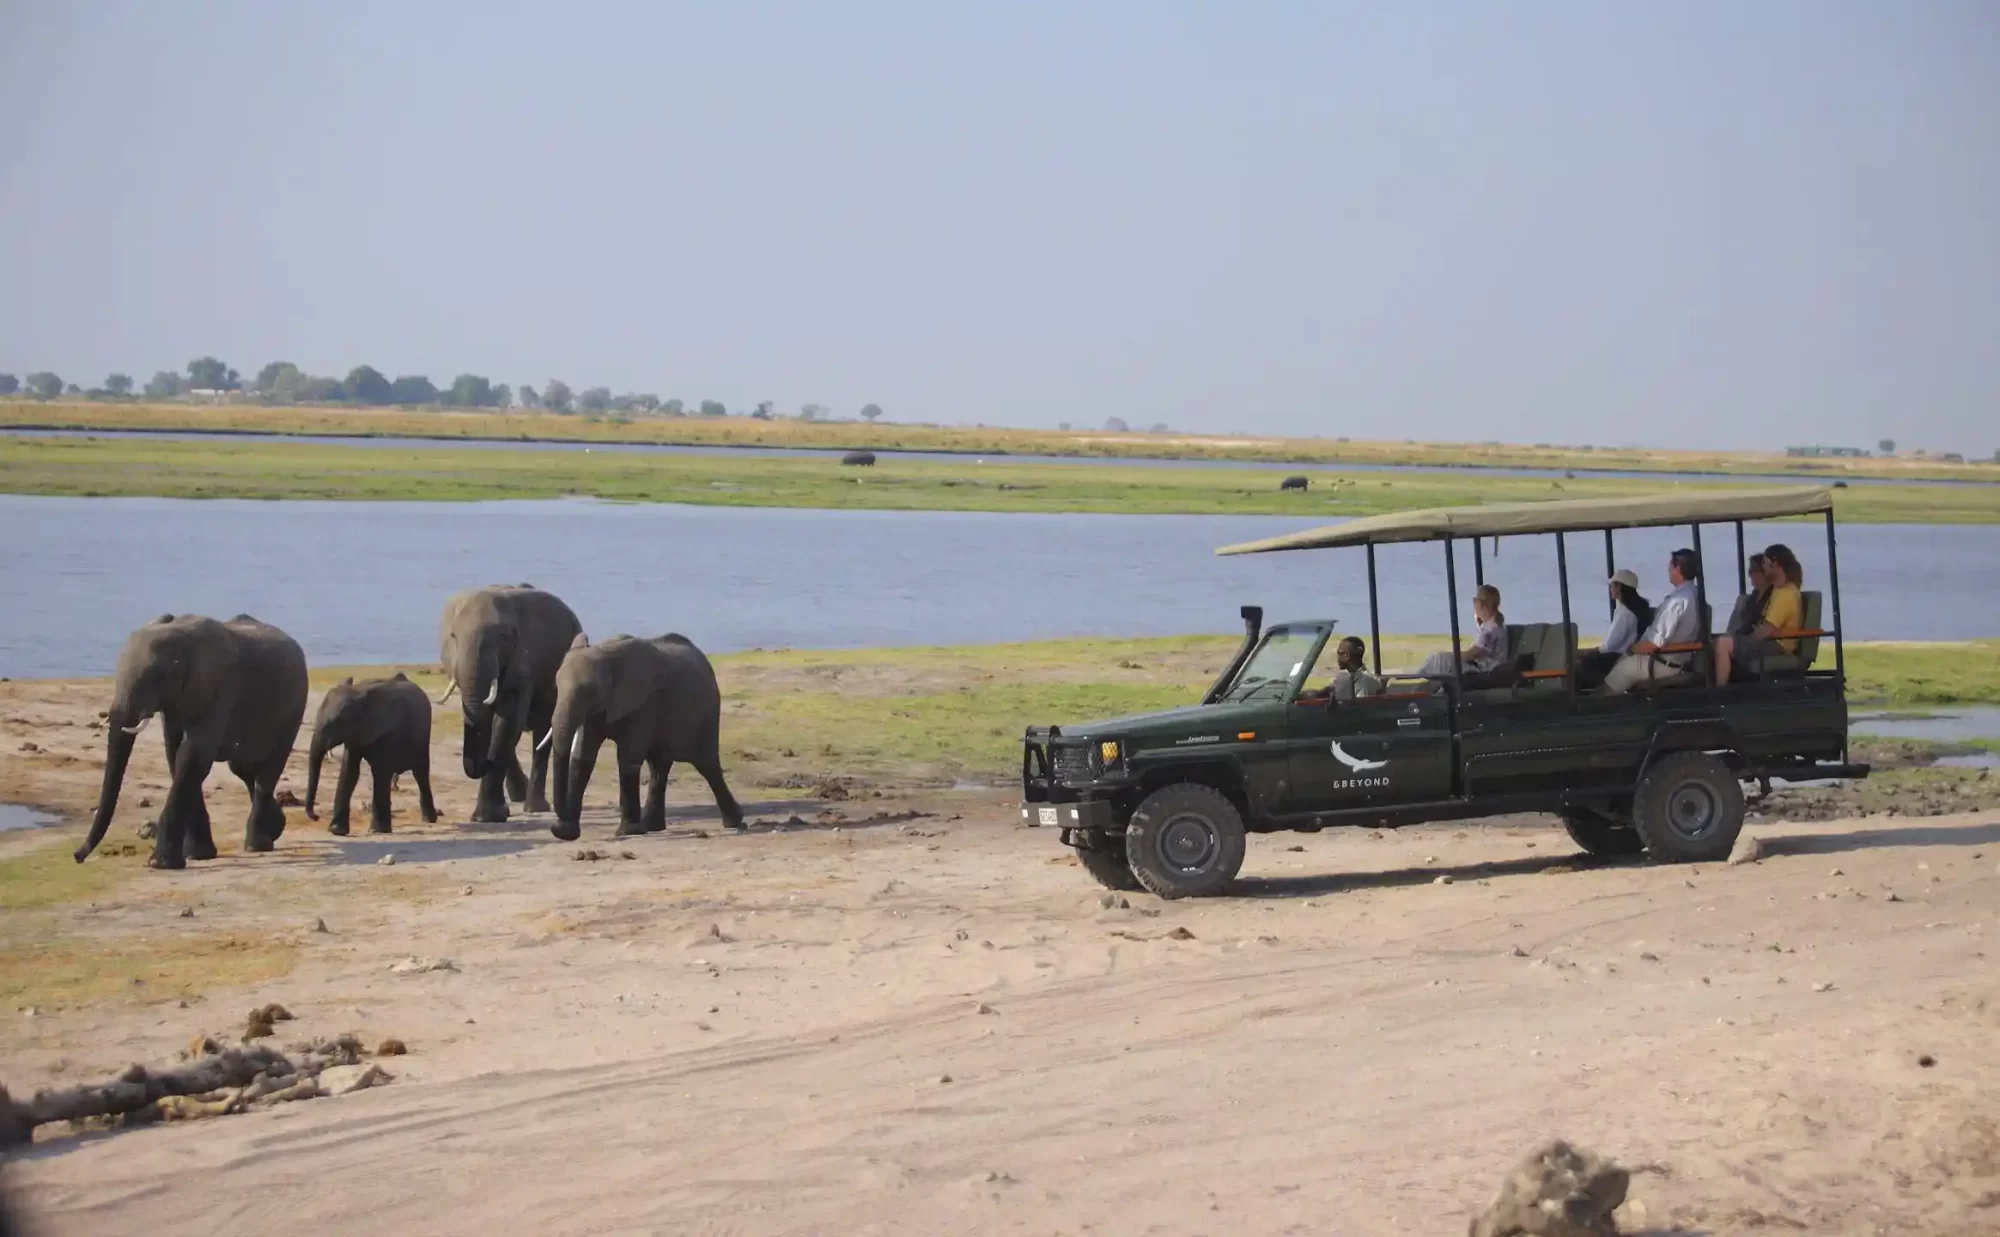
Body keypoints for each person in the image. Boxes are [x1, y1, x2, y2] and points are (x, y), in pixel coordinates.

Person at [1601, 550, 1703, 694]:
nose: (1668, 570)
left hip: (1663, 662)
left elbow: (1654, 643)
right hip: (1675, 658)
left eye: (1670, 567)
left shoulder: (1678, 602)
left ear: (1678, 569)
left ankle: (1597, 707)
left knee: (1620, 671)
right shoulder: (1694, 593)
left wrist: (1632, 649)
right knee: (1620, 663)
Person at [1714, 543, 1803, 685]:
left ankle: (1720, 694)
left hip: (1777, 645)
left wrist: (1745, 640)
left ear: (1775, 564)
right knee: (1722, 642)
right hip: (1769, 642)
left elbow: (1767, 630)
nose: (1764, 567)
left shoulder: (1787, 593)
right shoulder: (1777, 590)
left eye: (1765, 563)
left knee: (1724, 644)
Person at [1576, 568, 1653, 688]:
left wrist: (1589, 651)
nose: (1610, 588)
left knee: (1578, 664)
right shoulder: (1636, 609)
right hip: (1624, 654)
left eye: (1612, 585)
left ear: (1620, 587)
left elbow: (1610, 645)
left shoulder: (1625, 613)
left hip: (1615, 657)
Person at [1417, 585, 1508, 678]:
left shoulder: (1491, 630)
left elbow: (1472, 654)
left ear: (1481, 604)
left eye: (1474, 600)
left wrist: (1452, 657)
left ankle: (1417, 680)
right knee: (1436, 659)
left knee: (1439, 660)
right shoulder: (1492, 626)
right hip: (1484, 668)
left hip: (1486, 672)